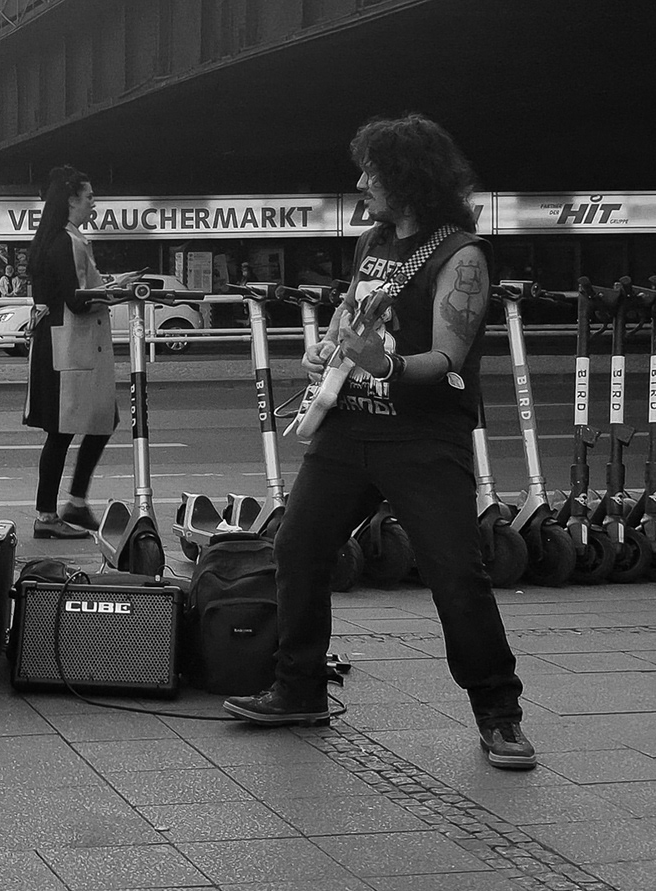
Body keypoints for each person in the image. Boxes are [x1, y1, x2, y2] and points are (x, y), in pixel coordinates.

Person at [225, 113, 534, 771]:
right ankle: (299, 687)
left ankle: (499, 714)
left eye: (371, 172)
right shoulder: (374, 244)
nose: (361, 182)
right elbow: (351, 322)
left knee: (456, 573)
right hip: (349, 430)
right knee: (298, 547)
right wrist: (326, 351)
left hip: (423, 438)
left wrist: (385, 365)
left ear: (404, 177)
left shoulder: (462, 256)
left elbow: (450, 358)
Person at [21, 165, 118, 539]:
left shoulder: (62, 238)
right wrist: (113, 292)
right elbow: (77, 301)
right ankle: (50, 514)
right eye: (90, 196)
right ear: (72, 200)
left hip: (64, 343)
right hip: (66, 346)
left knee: (100, 419)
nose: (94, 203)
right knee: (65, 430)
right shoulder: (67, 241)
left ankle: (74, 503)